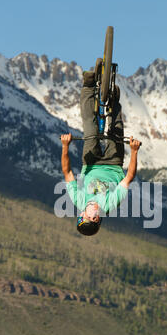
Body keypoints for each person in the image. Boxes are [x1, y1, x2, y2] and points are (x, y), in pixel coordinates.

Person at [61, 70, 141, 236]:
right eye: (93, 218)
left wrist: (65, 146)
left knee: (90, 127)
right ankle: (114, 101)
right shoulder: (109, 204)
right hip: (114, 164)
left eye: (85, 216)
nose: (89, 214)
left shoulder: (79, 201)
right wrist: (134, 151)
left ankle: (88, 86)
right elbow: (129, 177)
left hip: (90, 163)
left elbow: (67, 172)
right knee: (116, 130)